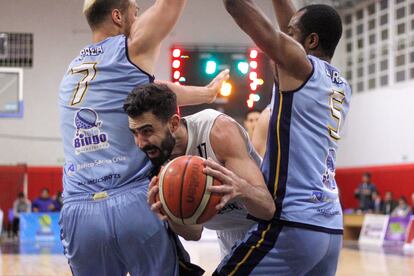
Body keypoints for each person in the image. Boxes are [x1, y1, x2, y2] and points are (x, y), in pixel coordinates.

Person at [58, 1, 228, 275]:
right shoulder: (129, 47)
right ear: (117, 16)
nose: (138, 17)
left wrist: (206, 95)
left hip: (79, 212)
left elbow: (154, 91)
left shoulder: (71, 73)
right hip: (134, 200)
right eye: (135, 11)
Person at [218, 0, 350, 275]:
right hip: (330, 228)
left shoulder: (301, 67)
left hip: (292, 224)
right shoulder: (338, 83)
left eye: (290, 33)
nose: (285, 36)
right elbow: (294, 29)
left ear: (311, 41)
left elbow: (239, 9)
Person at [124, 83, 275, 258]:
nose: (140, 143)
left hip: (267, 227)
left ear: (173, 123)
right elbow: (194, 234)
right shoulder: (154, 157)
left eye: (147, 131)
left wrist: (242, 189)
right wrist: (170, 215)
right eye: (135, 133)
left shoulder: (217, 131)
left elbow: (267, 209)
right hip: (227, 236)